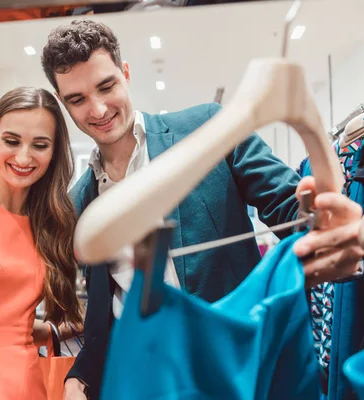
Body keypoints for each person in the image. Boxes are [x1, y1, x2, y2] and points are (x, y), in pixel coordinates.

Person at [40, 19, 364, 400]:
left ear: (125, 73)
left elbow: (291, 211)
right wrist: (77, 378)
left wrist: (334, 229)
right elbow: (102, 320)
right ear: (63, 103)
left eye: (106, 86)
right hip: (148, 381)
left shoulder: (209, 126)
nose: (97, 109)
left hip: (238, 370)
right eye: (77, 99)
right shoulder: (79, 201)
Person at [0, 87, 84, 399]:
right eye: (12, 141)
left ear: (53, 152)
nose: (23, 157)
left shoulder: (52, 223)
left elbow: (11, 324)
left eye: (39, 145)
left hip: (24, 383)